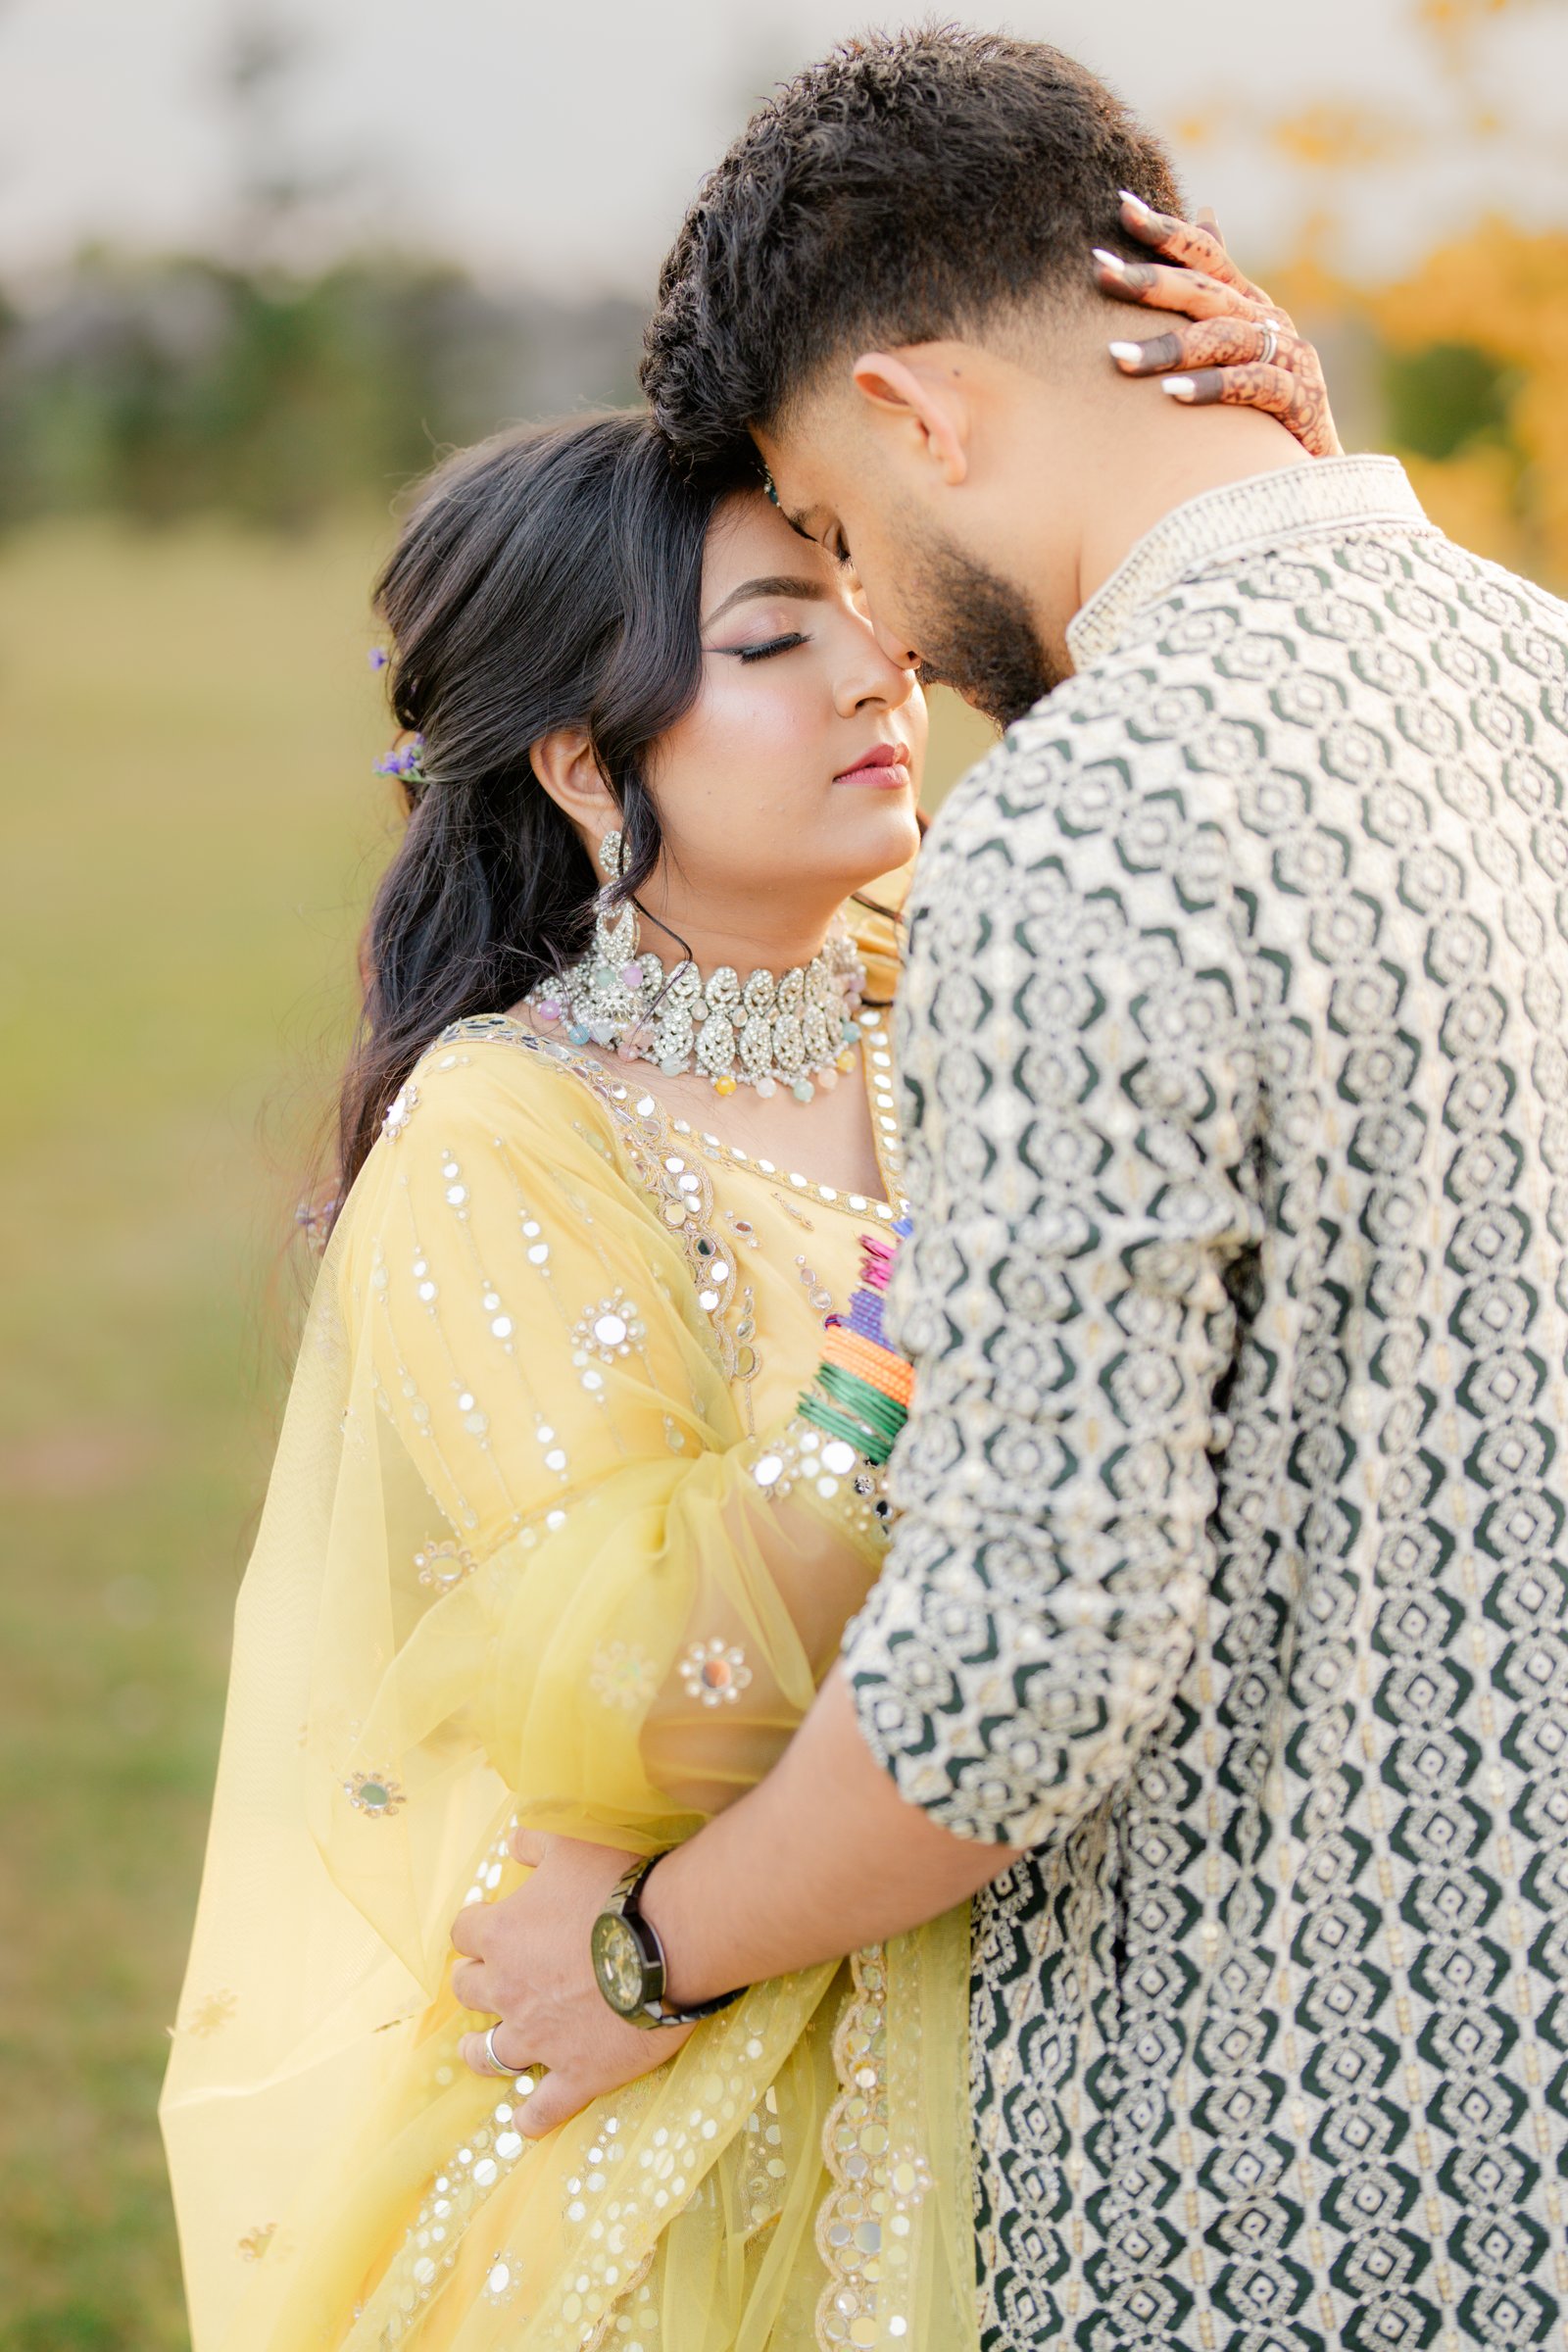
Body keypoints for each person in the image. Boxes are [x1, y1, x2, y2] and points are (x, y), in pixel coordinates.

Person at [452, 27, 1568, 2352]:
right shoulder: (1529, 673)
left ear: (918, 411)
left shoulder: (1077, 832)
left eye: (835, 525)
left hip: (1260, 2172)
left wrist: (639, 1950)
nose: (876, 620)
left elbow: (1023, 1664)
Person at [159, 194, 1337, 2350]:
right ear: (584, 759)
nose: (881, 669)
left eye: (858, 602)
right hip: (711, 2106)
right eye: (775, 642)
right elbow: (626, 1690)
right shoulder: (506, 1135)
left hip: (1081, 2021)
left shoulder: (956, 983)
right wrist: (912, 1334)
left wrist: (1269, 485)